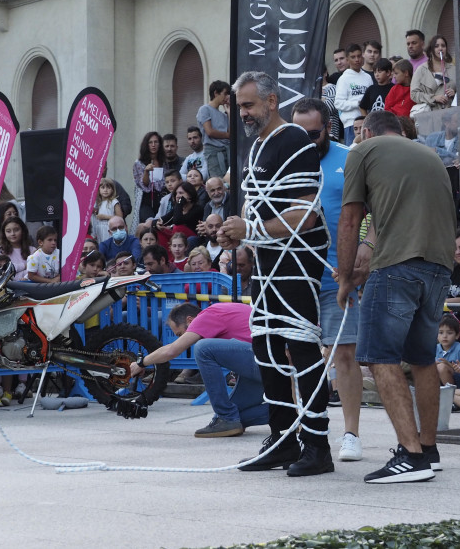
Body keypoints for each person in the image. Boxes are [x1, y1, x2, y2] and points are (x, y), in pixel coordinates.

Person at [218, 71, 332, 477]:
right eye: (239, 106)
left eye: (248, 105)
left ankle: (317, 444)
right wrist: (240, 233)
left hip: (297, 260)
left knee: (300, 346)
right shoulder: (259, 146)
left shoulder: (295, 141)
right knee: (266, 347)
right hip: (267, 261)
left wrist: (249, 230)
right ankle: (283, 438)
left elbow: (306, 213)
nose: (242, 113)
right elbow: (261, 207)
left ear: (271, 101)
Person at [336, 109, 455, 483]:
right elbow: (395, 217)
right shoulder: (429, 155)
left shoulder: (363, 150)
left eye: (358, 133)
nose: (356, 139)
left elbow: (351, 218)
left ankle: (410, 455)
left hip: (397, 267)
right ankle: (429, 450)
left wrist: (344, 278)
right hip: (438, 266)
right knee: (422, 359)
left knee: (380, 358)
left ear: (368, 131)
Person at [292, 97, 363, 463]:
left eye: (313, 133)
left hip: (338, 275)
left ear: (329, 128)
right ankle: (305, 426)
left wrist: (358, 264)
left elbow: (370, 212)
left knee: (345, 355)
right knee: (297, 356)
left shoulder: (349, 158)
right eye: (299, 133)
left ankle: (351, 433)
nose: (306, 140)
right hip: (294, 274)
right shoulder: (284, 161)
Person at [130, 302, 267, 437]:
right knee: (236, 418)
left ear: (190, 320)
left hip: (264, 361)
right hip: (268, 365)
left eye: (180, 334)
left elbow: (171, 351)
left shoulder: (207, 315)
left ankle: (225, 417)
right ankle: (287, 413)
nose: (183, 338)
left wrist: (141, 363)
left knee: (203, 348)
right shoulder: (224, 311)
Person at [335, 43, 373, 145]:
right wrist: (358, 103)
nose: (357, 59)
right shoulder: (344, 79)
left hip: (367, 123)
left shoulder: (368, 77)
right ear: (347, 59)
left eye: (359, 56)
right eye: (353, 57)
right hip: (351, 124)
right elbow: (338, 103)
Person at [411, 35, 456, 112]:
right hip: (429, 114)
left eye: (443, 46)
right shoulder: (421, 69)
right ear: (431, 49)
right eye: (436, 46)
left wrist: (455, 93)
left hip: (450, 115)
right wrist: (433, 98)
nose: (440, 48)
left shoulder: (453, 69)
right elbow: (414, 94)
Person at [198, 80, 231, 179]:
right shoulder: (204, 109)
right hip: (213, 151)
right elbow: (210, 132)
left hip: (227, 150)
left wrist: (229, 113)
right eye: (225, 93)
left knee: (229, 180)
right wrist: (227, 135)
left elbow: (231, 133)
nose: (226, 97)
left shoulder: (223, 114)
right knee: (218, 180)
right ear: (216, 93)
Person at [435, 315, 460, 388]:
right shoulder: (435, 348)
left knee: (442, 367)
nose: (444, 336)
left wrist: (449, 365)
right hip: (437, 380)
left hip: (458, 382)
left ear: (457, 335)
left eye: (449, 333)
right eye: (441, 333)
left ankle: (452, 393)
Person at [92, 178, 124, 244]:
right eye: (103, 187)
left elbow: (120, 217)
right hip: (99, 230)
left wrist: (105, 217)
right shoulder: (98, 203)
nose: (105, 190)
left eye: (108, 188)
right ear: (99, 190)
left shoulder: (114, 202)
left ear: (112, 189)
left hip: (109, 229)